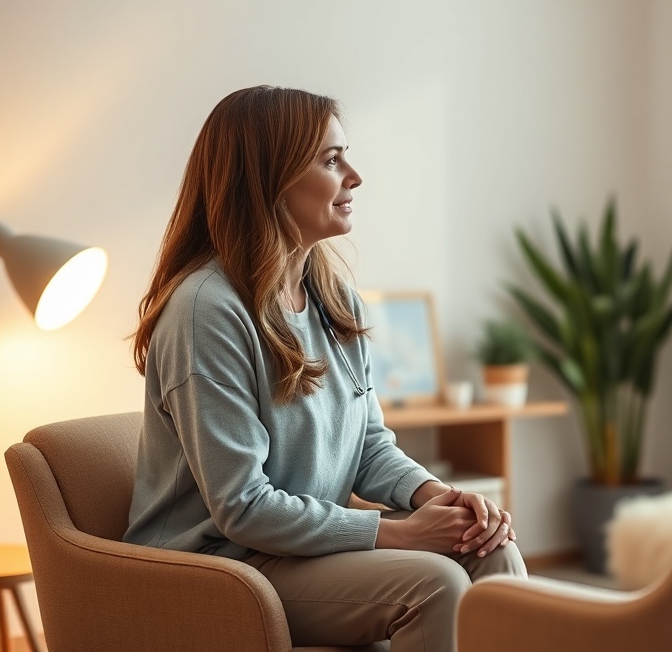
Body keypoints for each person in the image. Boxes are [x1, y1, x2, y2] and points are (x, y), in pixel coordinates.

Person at [124, 85, 526, 651]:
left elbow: (368, 446)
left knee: (492, 550)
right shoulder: (206, 312)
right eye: (331, 160)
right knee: (435, 583)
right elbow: (242, 507)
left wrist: (435, 497)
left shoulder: (333, 297)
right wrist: (397, 534)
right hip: (219, 565)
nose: (354, 177)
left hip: (295, 550)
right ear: (269, 180)